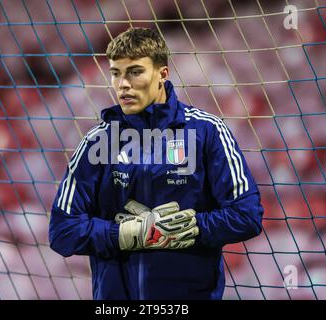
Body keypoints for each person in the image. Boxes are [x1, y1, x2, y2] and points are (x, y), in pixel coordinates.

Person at [49, 27, 264, 300]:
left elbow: (247, 216)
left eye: (135, 72)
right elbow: (62, 231)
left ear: (163, 74)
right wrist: (125, 235)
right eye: (116, 73)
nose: (122, 84)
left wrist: (188, 228)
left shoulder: (207, 132)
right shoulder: (97, 142)